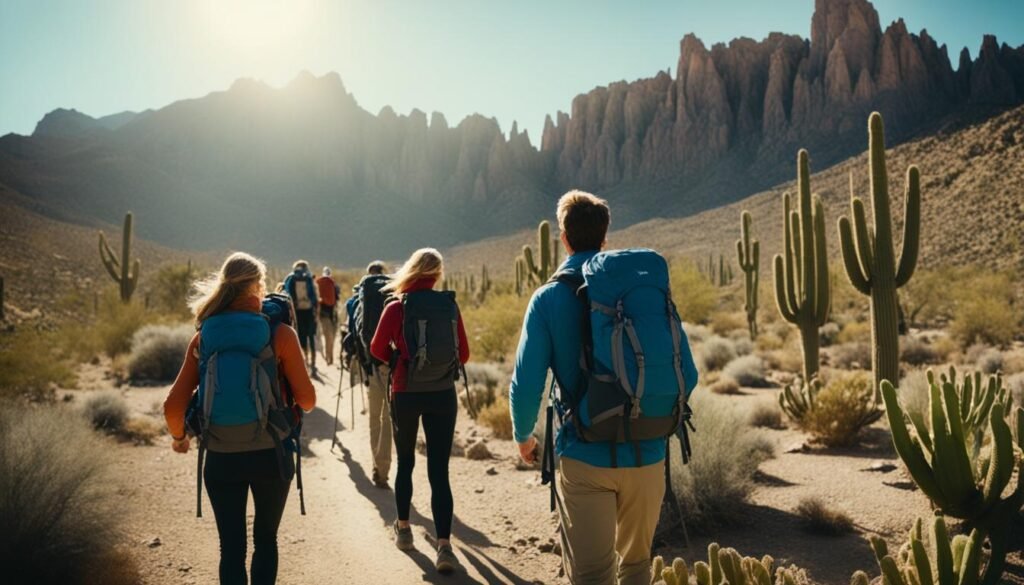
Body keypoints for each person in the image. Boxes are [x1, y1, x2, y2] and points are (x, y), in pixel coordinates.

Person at [509, 191, 699, 585]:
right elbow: (690, 373)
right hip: (648, 452)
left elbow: (527, 383)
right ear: (605, 237)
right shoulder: (641, 294)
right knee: (636, 569)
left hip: (584, 456)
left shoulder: (547, 298)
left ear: (563, 237)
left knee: (593, 576)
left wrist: (524, 437)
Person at [163, 252, 316, 585]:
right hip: (271, 455)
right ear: (258, 287)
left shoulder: (204, 337)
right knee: (266, 540)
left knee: (230, 549)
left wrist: (180, 438)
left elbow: (172, 408)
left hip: (221, 458)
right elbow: (308, 400)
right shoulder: (280, 334)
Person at [369, 248, 469, 574]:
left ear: (411, 271)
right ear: (437, 274)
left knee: (406, 463)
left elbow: (376, 348)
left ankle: (404, 530)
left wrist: (401, 361)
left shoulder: (397, 307)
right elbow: (463, 354)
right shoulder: (449, 305)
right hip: (443, 394)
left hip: (405, 392)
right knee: (439, 472)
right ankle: (444, 547)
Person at [344, 260, 394, 489]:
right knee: (389, 418)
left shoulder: (356, 301)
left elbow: (350, 338)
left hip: (372, 366)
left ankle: (378, 467)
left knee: (375, 418)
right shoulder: (393, 295)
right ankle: (384, 467)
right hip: (393, 366)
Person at [283, 260, 320, 375]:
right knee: (311, 335)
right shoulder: (309, 278)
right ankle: (313, 363)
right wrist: (316, 312)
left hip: (297, 311)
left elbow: (286, 293)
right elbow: (315, 297)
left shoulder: (291, 278)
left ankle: (305, 360)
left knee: (301, 335)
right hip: (309, 311)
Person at [316, 267, 341, 366]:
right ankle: (330, 357)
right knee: (332, 337)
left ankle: (328, 357)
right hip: (333, 315)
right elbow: (337, 299)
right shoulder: (334, 285)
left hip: (323, 315)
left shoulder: (319, 284)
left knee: (327, 336)